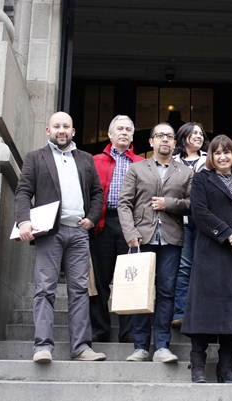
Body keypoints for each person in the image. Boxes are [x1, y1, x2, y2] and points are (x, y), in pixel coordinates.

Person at [14, 111, 106, 363]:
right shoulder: (35, 158)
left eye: (66, 126)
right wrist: (24, 221)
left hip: (78, 232)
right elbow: (23, 192)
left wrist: (92, 218)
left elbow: (97, 193)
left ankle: (81, 348)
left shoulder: (86, 159)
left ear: (73, 131)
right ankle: (42, 346)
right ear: (48, 131)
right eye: (56, 126)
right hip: (48, 233)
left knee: (80, 291)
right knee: (45, 290)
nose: (61, 130)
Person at [182, 135, 232, 383]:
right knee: (204, 310)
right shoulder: (202, 180)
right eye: (217, 153)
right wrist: (227, 234)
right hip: (211, 252)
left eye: (227, 152)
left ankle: (226, 367)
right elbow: (199, 213)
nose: (223, 156)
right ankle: (197, 365)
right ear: (211, 157)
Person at [118, 122, 193, 363]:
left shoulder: (185, 172)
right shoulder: (137, 168)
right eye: (160, 136)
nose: (165, 140)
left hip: (171, 239)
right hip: (141, 238)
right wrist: (130, 233)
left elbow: (193, 203)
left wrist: (168, 203)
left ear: (174, 143)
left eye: (169, 137)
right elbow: (124, 204)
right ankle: (140, 346)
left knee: (166, 292)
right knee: (140, 291)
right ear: (151, 141)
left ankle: (162, 345)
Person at [90, 115, 144, 344]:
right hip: (102, 224)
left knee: (129, 280)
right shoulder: (94, 161)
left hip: (130, 226)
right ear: (110, 134)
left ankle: (128, 332)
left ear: (132, 135)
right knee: (100, 281)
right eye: (119, 129)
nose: (124, 132)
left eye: (128, 129)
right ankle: (99, 329)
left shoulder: (141, 163)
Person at [171, 122, 209, 329]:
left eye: (201, 133)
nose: (198, 136)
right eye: (194, 133)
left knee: (202, 267)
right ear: (183, 135)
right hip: (181, 220)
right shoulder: (173, 162)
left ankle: (202, 311)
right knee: (184, 267)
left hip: (204, 222)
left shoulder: (208, 159)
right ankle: (181, 312)